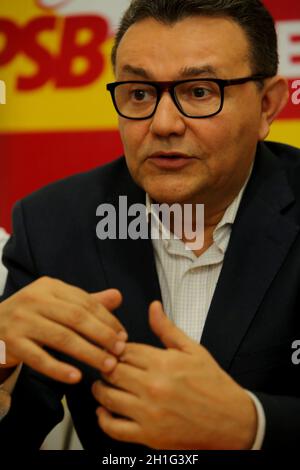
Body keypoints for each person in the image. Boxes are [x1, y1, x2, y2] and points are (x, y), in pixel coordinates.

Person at [0, 0, 299, 450]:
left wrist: (251, 425)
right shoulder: (54, 224)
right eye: (139, 94)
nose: (163, 124)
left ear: (267, 106)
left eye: (200, 91)